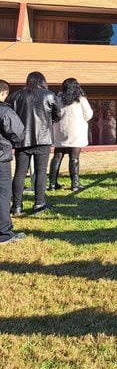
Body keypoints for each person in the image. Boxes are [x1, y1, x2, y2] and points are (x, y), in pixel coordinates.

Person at [10, 71, 61, 215]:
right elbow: (58, 114)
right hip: (43, 140)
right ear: (42, 81)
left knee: (19, 173)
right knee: (40, 172)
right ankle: (39, 204)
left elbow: (10, 116)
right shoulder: (49, 95)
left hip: (22, 140)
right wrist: (49, 121)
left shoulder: (15, 95)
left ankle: (17, 206)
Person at [49, 78, 93, 191]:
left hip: (60, 131)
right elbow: (89, 114)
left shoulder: (57, 98)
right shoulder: (80, 99)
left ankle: (52, 184)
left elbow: (53, 115)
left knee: (57, 157)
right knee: (74, 158)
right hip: (76, 132)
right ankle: (75, 184)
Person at [0, 80, 25, 244]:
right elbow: (18, 133)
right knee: (3, 194)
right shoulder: (4, 111)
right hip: (1, 158)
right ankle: (4, 233)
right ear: (4, 93)